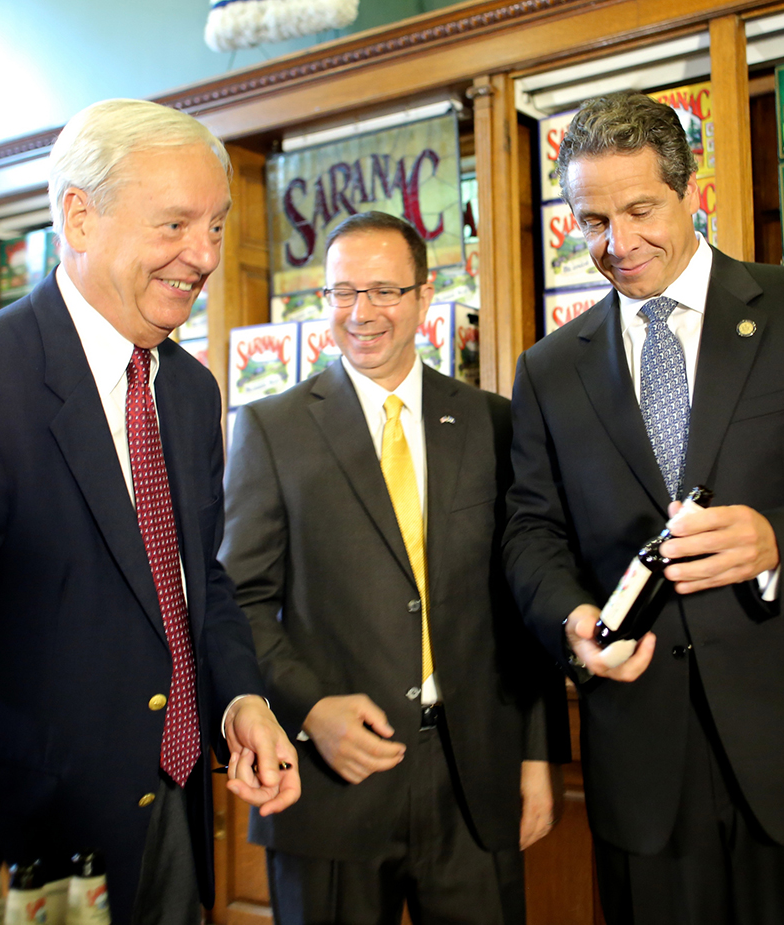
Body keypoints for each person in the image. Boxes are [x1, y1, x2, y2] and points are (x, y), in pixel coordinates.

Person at [0, 99, 299, 925]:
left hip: (176, 819)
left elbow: (192, 575)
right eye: (175, 224)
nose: (203, 256)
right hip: (29, 854)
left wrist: (241, 698)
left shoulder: (193, 389)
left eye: (216, 225)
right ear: (80, 216)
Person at [503, 90, 784, 925]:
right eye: (590, 220)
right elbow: (530, 532)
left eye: (641, 209)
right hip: (645, 766)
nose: (617, 244)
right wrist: (573, 619)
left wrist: (777, 539)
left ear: (693, 191)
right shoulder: (547, 369)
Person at [220, 211, 567, 925]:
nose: (361, 313)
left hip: (473, 777)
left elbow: (521, 596)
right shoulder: (269, 429)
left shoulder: (493, 422)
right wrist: (311, 709)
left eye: (383, 290)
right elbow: (241, 602)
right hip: (328, 782)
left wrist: (537, 755)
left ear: (423, 293)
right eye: (343, 293)